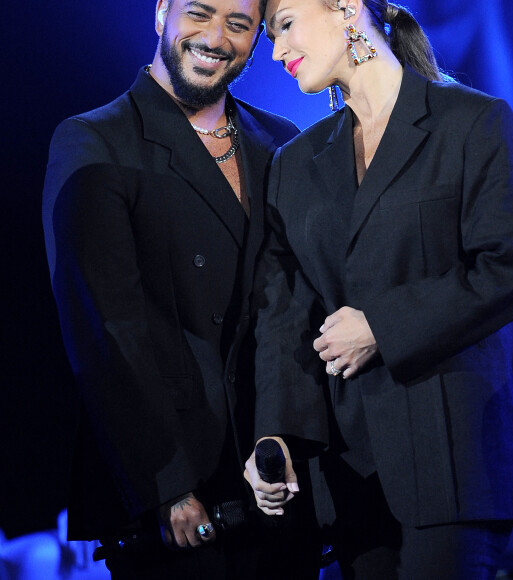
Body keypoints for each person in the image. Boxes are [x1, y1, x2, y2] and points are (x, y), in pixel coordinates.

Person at [244, 0, 513, 578]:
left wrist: (382, 325)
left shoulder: (469, 121)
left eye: (283, 27)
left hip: (453, 463)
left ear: (347, 9)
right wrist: (276, 435)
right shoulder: (295, 164)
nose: (275, 51)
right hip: (350, 476)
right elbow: (285, 317)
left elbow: (507, 270)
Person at [41, 0, 311, 578]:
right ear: (161, 11)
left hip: (276, 473)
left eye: (238, 24)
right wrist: (163, 484)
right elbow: (105, 330)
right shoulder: (95, 141)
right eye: (199, 13)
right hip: (179, 489)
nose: (216, 37)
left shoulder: (282, 140)